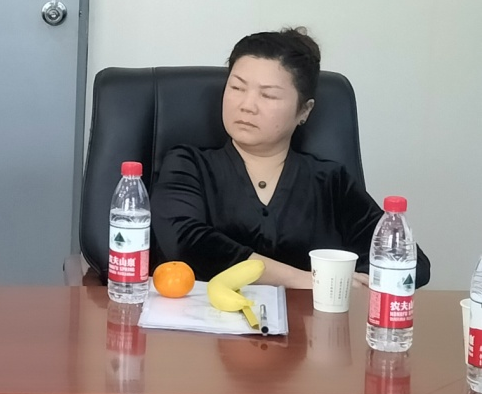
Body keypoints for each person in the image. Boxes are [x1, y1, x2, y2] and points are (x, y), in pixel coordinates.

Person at [152, 28, 430, 288]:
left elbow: (411, 263)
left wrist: (357, 285)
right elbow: (186, 243)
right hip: (204, 322)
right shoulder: (188, 165)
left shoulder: (330, 182)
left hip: (311, 324)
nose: (247, 105)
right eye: (236, 88)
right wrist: (310, 281)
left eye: (268, 95)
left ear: (304, 111)